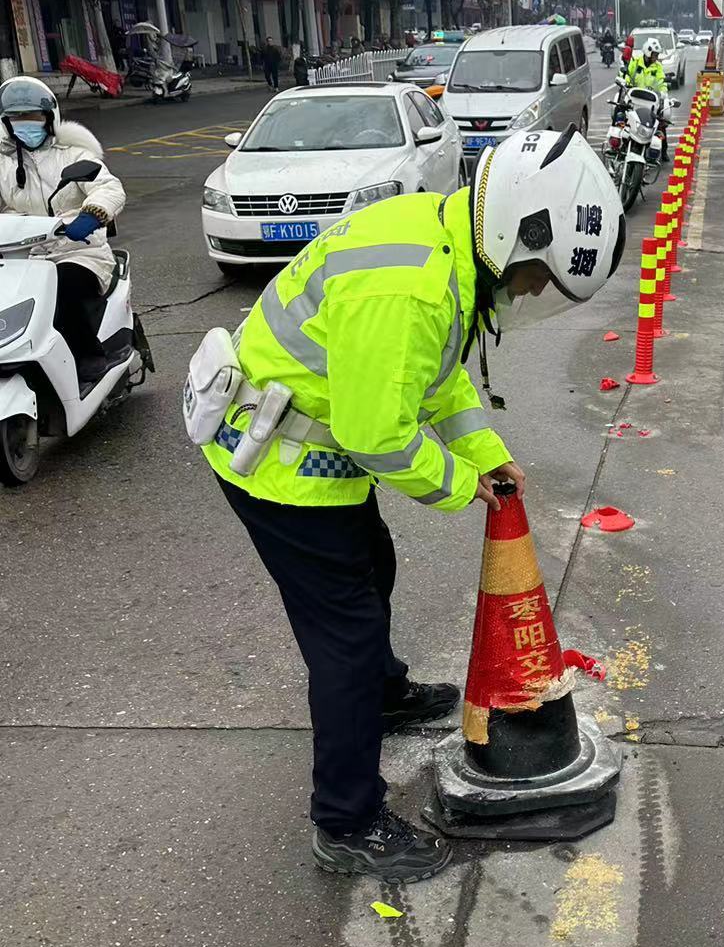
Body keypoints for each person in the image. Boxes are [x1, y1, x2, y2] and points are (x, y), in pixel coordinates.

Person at [201, 126, 625, 884]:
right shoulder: (412, 287)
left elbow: (439, 379)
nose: (530, 292)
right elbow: (378, 434)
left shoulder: (448, 249)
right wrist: (464, 487)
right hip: (276, 467)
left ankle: (386, 695)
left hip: (314, 458)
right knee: (346, 642)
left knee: (376, 562)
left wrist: (487, 453)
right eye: (536, 277)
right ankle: (347, 821)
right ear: (513, 230)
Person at [0, 75, 125, 385]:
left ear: (49, 118)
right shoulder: (2, 164)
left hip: (80, 251)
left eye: (33, 117)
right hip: (22, 256)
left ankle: (88, 354)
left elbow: (108, 187)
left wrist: (93, 213)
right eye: (17, 119)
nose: (25, 125)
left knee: (62, 286)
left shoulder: (74, 154)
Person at [623, 37, 670, 160]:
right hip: (635, 97)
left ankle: (664, 150)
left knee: (660, 123)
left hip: (650, 100)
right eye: (654, 55)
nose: (656, 57)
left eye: (657, 55)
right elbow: (628, 74)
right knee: (621, 115)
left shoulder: (657, 67)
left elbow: (661, 81)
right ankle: (620, 143)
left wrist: (663, 91)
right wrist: (626, 83)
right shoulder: (636, 62)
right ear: (647, 52)